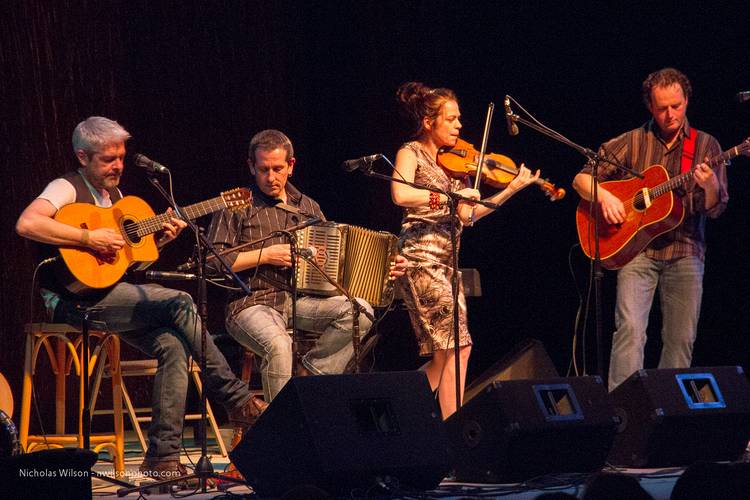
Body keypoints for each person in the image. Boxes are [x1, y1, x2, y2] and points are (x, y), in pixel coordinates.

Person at [15, 116, 263, 481]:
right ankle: (237, 399)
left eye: (120, 157)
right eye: (107, 159)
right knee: (180, 302)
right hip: (71, 299)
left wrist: (160, 238)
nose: (118, 166)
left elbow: (131, 261)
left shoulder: (115, 199)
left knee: (175, 347)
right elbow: (27, 223)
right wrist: (88, 239)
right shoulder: (65, 188)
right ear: (83, 157)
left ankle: (162, 461)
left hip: (109, 293)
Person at [206, 129, 405, 403]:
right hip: (251, 304)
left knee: (361, 312)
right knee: (279, 344)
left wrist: (385, 268)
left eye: (278, 168)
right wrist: (265, 254)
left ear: (291, 166)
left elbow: (335, 268)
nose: (271, 177)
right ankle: (284, 426)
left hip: (303, 302)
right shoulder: (235, 205)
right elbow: (213, 263)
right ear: (251, 166)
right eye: (263, 169)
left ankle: (308, 379)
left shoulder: (309, 208)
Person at [572, 68, 729, 391]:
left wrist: (710, 185)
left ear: (686, 100)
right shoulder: (632, 141)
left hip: (686, 251)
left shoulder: (706, 145)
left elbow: (715, 208)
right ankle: (623, 409)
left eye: (677, 106)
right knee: (629, 329)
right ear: (650, 107)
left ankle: (669, 409)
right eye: (662, 108)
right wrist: (604, 197)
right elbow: (581, 179)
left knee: (680, 338)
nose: (670, 115)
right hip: (637, 250)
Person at [391, 82, 539, 418]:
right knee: (458, 348)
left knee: (450, 354)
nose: (459, 125)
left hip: (447, 264)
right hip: (420, 260)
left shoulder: (450, 165)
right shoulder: (410, 152)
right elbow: (400, 194)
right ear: (429, 122)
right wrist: (448, 198)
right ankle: (451, 430)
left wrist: (511, 189)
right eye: (452, 119)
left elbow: (467, 214)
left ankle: (396, 409)